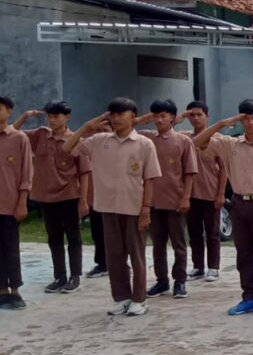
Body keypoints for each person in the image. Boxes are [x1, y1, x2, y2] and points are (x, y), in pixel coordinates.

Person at [64, 99, 162, 317]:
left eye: (122, 114)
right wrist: (88, 126)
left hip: (134, 207)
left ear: (133, 116)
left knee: (136, 256)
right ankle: (122, 297)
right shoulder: (99, 140)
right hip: (107, 207)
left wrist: (146, 208)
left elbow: (151, 178)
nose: (116, 118)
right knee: (114, 257)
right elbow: (67, 147)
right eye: (113, 114)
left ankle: (139, 299)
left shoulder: (144, 144)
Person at [194, 99, 253, 318]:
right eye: (246, 118)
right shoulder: (229, 144)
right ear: (240, 119)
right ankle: (248, 296)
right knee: (243, 253)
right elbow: (197, 143)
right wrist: (221, 124)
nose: (251, 123)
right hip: (238, 203)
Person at [13, 101, 92, 294]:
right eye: (50, 116)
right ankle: (59, 276)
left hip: (69, 196)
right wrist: (24, 116)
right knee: (53, 238)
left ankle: (74, 277)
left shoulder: (75, 139)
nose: (53, 120)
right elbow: (12, 133)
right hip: (45, 197)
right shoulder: (40, 135)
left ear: (67, 117)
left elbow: (84, 172)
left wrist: (83, 200)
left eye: (57, 116)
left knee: (73, 237)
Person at [135, 100, 198, 299]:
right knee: (157, 244)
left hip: (175, 201)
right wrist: (145, 117)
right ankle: (161, 281)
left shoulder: (183, 141)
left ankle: (180, 280)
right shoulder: (146, 139)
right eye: (156, 116)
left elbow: (189, 172)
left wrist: (186, 197)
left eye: (164, 116)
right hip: (152, 201)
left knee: (179, 243)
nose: (159, 120)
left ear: (173, 118)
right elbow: (128, 126)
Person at [184, 101, 227, 282]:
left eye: (199, 114)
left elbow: (224, 168)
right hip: (190, 194)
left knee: (212, 232)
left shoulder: (218, 140)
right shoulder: (185, 139)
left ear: (207, 116)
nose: (195, 118)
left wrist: (221, 193)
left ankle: (213, 267)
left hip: (211, 193)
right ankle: (198, 266)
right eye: (191, 115)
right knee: (194, 232)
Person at [0, 95, 33, 310]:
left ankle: (15, 290)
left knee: (11, 247)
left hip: (10, 203)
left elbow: (26, 174)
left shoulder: (19, 138)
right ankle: (2, 290)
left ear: (9, 111)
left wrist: (22, 202)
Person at [83, 119, 113, 279]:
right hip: (95, 198)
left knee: (117, 234)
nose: (100, 134)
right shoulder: (90, 148)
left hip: (115, 198)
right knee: (98, 232)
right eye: (97, 130)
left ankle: (119, 263)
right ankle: (102, 263)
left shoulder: (118, 148)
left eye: (105, 130)